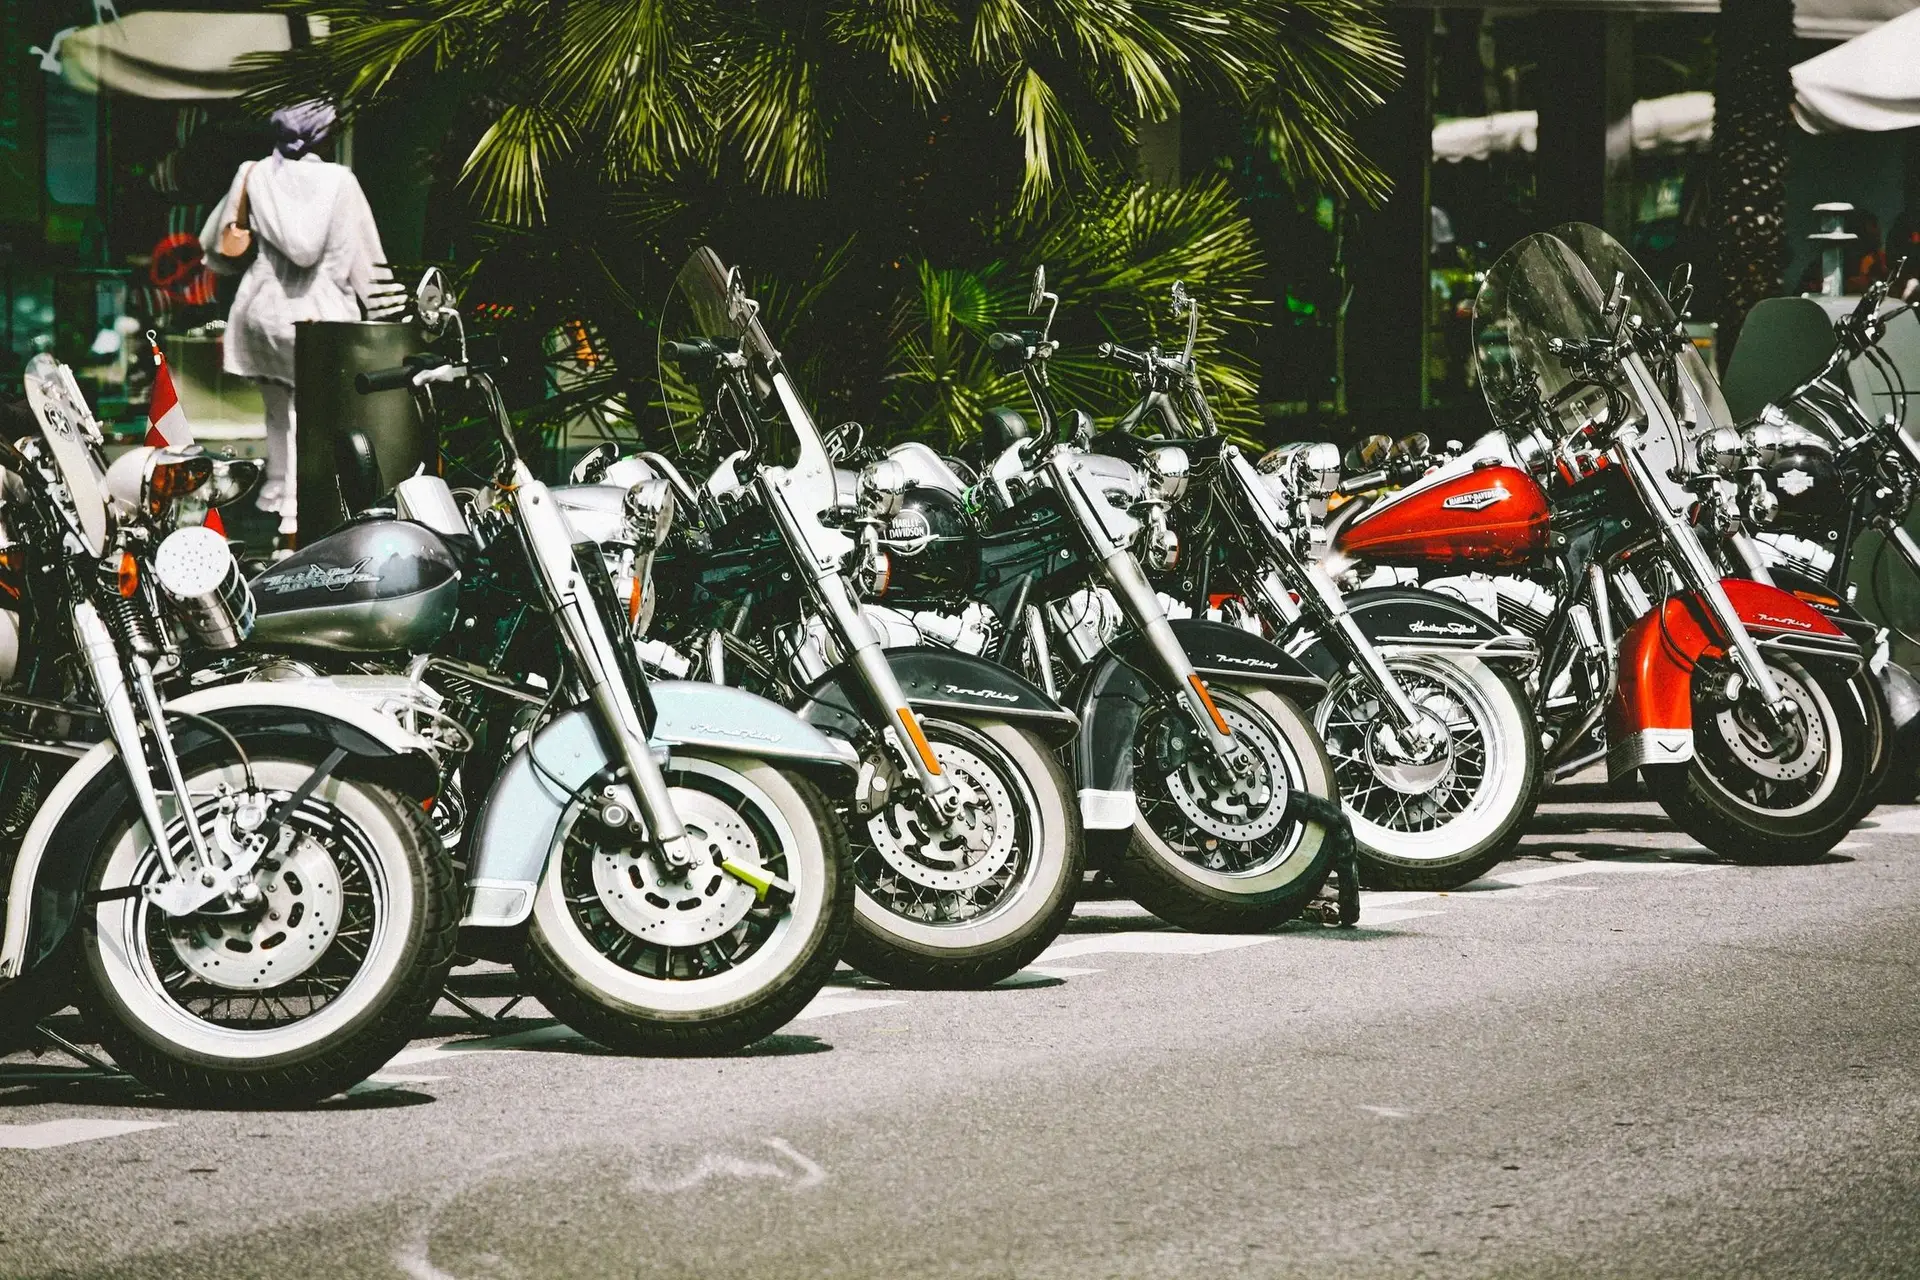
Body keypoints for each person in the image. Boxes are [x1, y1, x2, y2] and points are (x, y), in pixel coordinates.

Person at [200, 100, 393, 537]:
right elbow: (368, 263)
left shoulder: (255, 173)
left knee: (277, 415)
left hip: (264, 312)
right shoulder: (340, 182)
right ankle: (311, 506)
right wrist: (389, 316)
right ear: (323, 136)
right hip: (321, 315)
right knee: (321, 416)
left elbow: (221, 251)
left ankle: (279, 504)